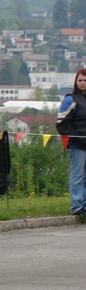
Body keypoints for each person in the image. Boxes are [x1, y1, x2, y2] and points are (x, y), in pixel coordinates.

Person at [56, 68, 86, 222]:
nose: (82, 83)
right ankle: (77, 206)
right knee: (78, 176)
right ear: (76, 82)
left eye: (85, 80)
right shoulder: (71, 100)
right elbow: (61, 123)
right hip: (78, 144)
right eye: (80, 80)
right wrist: (76, 137)